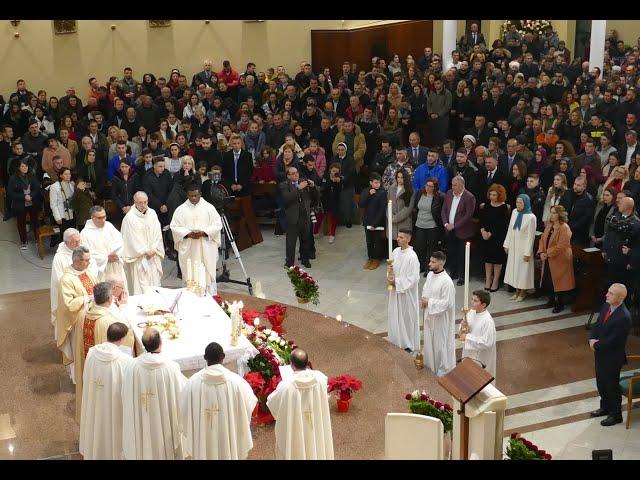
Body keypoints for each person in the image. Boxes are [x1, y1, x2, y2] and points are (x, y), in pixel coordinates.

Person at [179, 342, 258, 460]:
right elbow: (249, 402)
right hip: (227, 437)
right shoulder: (237, 382)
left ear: (205, 357)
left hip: (203, 439)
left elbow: (183, 410)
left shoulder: (192, 383)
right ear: (223, 356)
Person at [77, 282, 139, 420]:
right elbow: (127, 336)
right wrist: (122, 306)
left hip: (91, 369)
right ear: (110, 299)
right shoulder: (108, 321)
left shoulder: (83, 315)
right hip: (108, 378)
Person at [122, 329, 187, 459]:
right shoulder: (171, 367)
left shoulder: (132, 366)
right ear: (160, 343)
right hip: (165, 422)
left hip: (141, 419)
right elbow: (182, 394)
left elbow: (126, 394)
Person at [79, 322, 135, 460]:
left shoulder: (92, 353)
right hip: (113, 407)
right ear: (121, 339)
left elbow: (86, 377)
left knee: (96, 427)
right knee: (113, 437)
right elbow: (127, 390)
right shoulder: (125, 361)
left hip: (95, 402)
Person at [266, 349, 334, 460]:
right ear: (308, 362)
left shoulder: (287, 385)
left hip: (295, 426)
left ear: (292, 365)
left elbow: (272, 403)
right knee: (315, 444)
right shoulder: (321, 378)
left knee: (296, 448)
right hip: (315, 423)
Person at [56, 246, 97, 417]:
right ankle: (76, 378)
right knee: (78, 350)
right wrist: (87, 299)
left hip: (92, 317)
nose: (89, 263)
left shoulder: (87, 272)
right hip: (77, 322)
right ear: (77, 260)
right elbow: (68, 305)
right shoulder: (67, 279)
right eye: (86, 260)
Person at [589, 283, 632, 427]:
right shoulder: (606, 306)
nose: (607, 295)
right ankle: (605, 407)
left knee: (611, 385)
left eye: (611, 293)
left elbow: (614, 340)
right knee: (601, 383)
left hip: (612, 357)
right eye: (608, 291)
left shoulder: (623, 317)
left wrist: (595, 345)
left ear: (620, 298)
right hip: (601, 354)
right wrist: (591, 339)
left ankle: (616, 414)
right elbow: (597, 324)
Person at [170, 183, 222, 294]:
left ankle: (209, 298)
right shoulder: (181, 210)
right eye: (191, 196)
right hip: (189, 248)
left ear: (200, 194)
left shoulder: (209, 208)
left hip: (205, 247)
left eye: (196, 195)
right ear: (187, 195)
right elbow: (174, 227)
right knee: (190, 275)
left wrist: (204, 232)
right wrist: (188, 233)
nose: (193, 198)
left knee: (206, 276)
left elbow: (217, 224)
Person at [121, 191, 164, 295]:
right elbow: (130, 239)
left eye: (145, 202)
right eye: (140, 202)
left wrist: (153, 249)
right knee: (140, 288)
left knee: (154, 285)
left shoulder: (152, 213)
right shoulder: (129, 218)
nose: (143, 205)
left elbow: (157, 233)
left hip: (153, 255)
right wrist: (145, 251)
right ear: (135, 202)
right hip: (139, 258)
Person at [421, 251, 456, 376]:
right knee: (429, 341)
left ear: (441, 263)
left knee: (439, 345)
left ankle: (441, 370)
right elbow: (426, 289)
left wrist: (429, 302)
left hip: (441, 319)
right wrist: (424, 300)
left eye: (433, 262)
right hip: (429, 315)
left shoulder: (447, 282)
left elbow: (447, 303)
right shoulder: (430, 275)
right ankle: (430, 365)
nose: (429, 264)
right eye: (430, 261)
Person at [387, 229, 421, 353]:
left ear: (408, 239)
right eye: (398, 237)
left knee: (406, 318)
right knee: (395, 315)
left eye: (401, 237)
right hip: (395, 291)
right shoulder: (395, 251)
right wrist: (389, 272)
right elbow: (391, 270)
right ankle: (396, 340)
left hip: (406, 294)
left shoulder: (412, 257)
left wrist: (396, 281)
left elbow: (413, 279)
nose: (398, 239)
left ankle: (407, 344)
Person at [537, 205, 575, 313]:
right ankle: (551, 300)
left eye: (554, 213)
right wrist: (541, 252)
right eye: (551, 212)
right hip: (549, 257)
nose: (551, 215)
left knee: (559, 281)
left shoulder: (564, 227)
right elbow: (542, 239)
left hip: (561, 258)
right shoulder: (549, 225)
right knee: (549, 280)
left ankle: (560, 303)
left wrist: (547, 253)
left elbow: (562, 245)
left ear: (559, 215)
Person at [441, 176, 477, 285]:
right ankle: (454, 272)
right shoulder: (448, 194)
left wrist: (455, 225)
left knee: (462, 255)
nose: (453, 187)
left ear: (462, 185)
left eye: (455, 185)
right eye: (452, 184)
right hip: (449, 230)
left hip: (463, 232)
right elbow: (444, 210)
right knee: (452, 252)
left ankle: (462, 276)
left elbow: (468, 215)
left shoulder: (469, 197)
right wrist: (446, 224)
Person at [80, 206, 127, 289]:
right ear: (92, 218)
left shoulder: (109, 226)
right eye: (99, 218)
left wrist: (117, 254)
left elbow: (120, 241)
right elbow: (86, 254)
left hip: (115, 266)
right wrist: (106, 258)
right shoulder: (85, 233)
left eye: (104, 217)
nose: (103, 220)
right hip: (101, 271)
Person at [503, 194, 537, 301]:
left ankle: (522, 293)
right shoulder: (514, 212)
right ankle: (516, 291)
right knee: (515, 269)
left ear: (525, 203)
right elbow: (510, 229)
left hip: (523, 248)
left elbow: (531, 237)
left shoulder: (531, 217)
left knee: (523, 270)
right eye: (517, 202)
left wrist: (527, 252)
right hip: (514, 245)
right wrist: (507, 244)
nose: (518, 204)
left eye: (520, 203)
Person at [460, 290, 497, 383]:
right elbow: (462, 332)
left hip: (481, 358)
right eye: (472, 299)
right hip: (469, 354)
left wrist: (467, 337)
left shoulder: (488, 321)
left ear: (483, 305)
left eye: (475, 301)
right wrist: (463, 326)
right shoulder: (471, 312)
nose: (471, 302)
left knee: (480, 383)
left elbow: (487, 342)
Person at [279, 166, 313, 268]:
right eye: (293, 173)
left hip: (304, 215)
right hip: (293, 217)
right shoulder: (284, 185)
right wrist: (298, 188)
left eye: (297, 172)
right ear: (288, 176)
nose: (296, 175)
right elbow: (287, 198)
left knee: (305, 239)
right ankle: (289, 262)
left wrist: (313, 186)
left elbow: (315, 196)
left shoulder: (304, 182)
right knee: (291, 242)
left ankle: (305, 259)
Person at [479, 184, 510, 292]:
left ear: (499, 195)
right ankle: (488, 280)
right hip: (485, 235)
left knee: (497, 261)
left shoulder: (504, 207)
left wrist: (490, 233)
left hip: (498, 237)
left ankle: (495, 281)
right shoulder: (486, 205)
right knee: (487, 260)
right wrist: (483, 231)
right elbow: (482, 220)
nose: (492, 197)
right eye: (491, 194)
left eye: (494, 195)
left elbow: (503, 225)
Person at [7, 159, 41, 250]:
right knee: (21, 223)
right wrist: (23, 196)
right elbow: (10, 193)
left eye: (26, 166)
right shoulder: (13, 178)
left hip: (32, 203)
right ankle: (23, 241)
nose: (25, 168)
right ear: (18, 167)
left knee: (35, 221)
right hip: (20, 204)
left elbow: (37, 188)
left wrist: (31, 195)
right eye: (22, 166)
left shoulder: (32, 176)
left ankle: (38, 239)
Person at [414, 177, 445, 275]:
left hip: (432, 225)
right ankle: (421, 266)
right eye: (427, 185)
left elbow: (440, 212)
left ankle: (429, 268)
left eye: (431, 186)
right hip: (420, 224)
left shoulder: (439, 197)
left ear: (435, 187)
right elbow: (416, 208)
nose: (428, 188)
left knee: (432, 248)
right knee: (420, 247)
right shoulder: (420, 194)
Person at [359, 172, 387, 270]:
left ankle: (377, 259)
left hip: (377, 222)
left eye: (379, 182)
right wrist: (368, 195)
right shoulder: (366, 191)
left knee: (377, 241)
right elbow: (361, 204)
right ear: (371, 182)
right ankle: (370, 258)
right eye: (375, 182)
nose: (377, 184)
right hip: (367, 220)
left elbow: (382, 210)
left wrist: (375, 223)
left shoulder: (382, 192)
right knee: (369, 241)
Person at [568, 175, 596, 246]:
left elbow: (586, 218)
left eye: (578, 185)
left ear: (584, 187)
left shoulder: (589, 200)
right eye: (575, 184)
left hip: (579, 234)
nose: (575, 186)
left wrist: (571, 227)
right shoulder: (569, 193)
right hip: (566, 229)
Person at [49, 166, 76, 238]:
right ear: (61, 175)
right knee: (63, 236)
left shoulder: (71, 185)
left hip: (72, 214)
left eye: (69, 174)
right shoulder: (55, 187)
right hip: (62, 216)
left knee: (72, 235)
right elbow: (53, 204)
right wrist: (57, 217)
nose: (68, 176)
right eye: (66, 174)